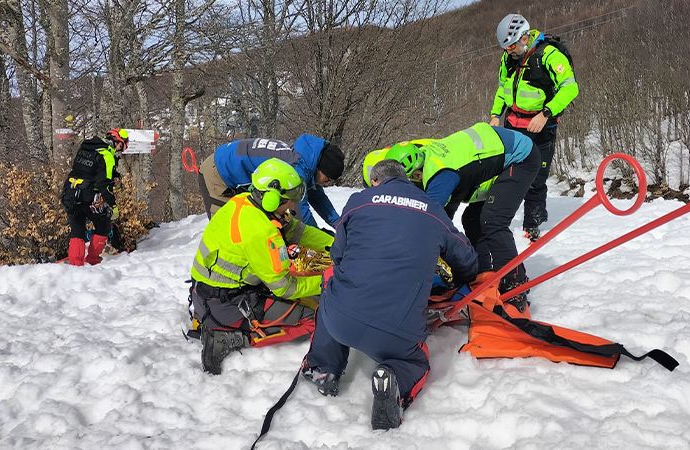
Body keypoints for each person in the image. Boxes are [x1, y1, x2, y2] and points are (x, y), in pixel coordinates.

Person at [302, 159, 477, 430]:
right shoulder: (431, 208)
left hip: (341, 320)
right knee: (416, 361)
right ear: (407, 179)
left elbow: (337, 255)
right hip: (398, 333)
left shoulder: (358, 201)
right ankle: (395, 375)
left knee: (331, 281)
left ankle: (323, 367)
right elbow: (466, 259)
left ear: (374, 181)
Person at [189, 158, 335, 375]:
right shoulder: (260, 230)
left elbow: (296, 231)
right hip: (226, 305)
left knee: (302, 278)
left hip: (212, 293)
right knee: (312, 317)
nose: (293, 205)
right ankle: (229, 337)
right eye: (291, 199)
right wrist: (329, 282)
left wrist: (336, 243)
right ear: (272, 199)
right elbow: (285, 287)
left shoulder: (246, 202)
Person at [385, 123, 539, 310]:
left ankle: (515, 282)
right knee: (472, 219)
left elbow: (429, 221)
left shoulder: (440, 175)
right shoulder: (423, 153)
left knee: (493, 220)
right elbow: (443, 217)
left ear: (416, 173)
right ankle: (481, 272)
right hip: (494, 154)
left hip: (521, 156)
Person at [490, 14, 578, 241]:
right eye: (505, 47)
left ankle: (533, 224)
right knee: (505, 173)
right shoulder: (508, 57)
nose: (508, 50)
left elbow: (570, 89)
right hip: (512, 123)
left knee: (536, 178)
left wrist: (545, 113)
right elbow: (503, 87)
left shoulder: (549, 55)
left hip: (540, 127)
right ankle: (499, 220)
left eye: (511, 45)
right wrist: (495, 114)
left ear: (524, 38)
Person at [197, 134, 345, 227]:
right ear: (321, 168)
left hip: (233, 168)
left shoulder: (306, 159)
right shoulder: (296, 169)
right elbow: (300, 214)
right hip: (219, 174)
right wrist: (322, 242)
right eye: (328, 179)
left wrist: (338, 225)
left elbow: (317, 197)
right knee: (228, 231)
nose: (327, 184)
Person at [60, 128, 128, 266]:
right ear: (117, 142)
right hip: (88, 194)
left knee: (77, 228)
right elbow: (104, 185)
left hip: (70, 191)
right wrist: (113, 206)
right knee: (103, 225)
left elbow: (86, 170)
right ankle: (92, 259)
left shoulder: (86, 146)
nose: (119, 150)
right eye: (121, 146)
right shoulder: (107, 155)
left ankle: (75, 263)